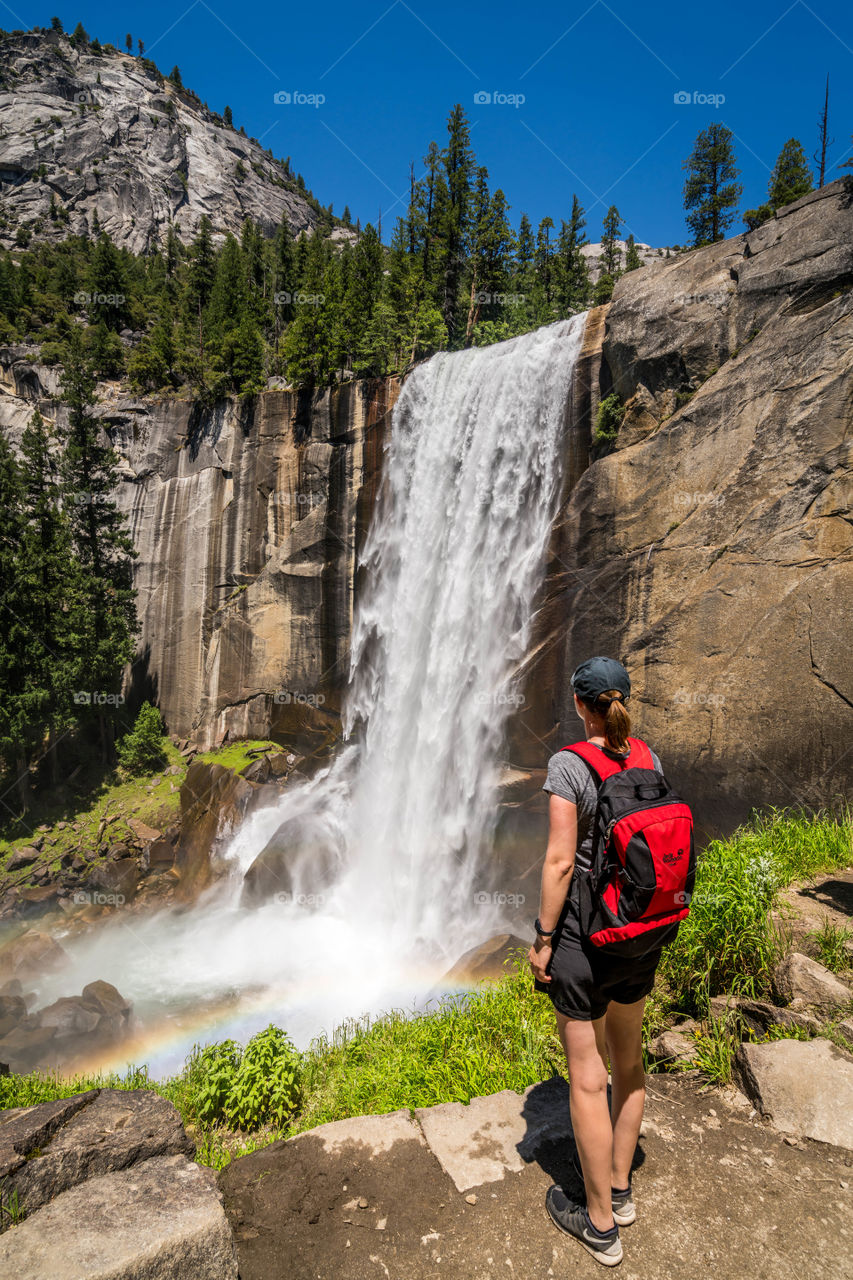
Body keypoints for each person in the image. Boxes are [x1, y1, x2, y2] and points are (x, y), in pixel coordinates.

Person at [528, 656, 673, 1268]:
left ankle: (598, 1223)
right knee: (630, 1058)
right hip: (639, 933)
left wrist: (541, 937)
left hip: (585, 939)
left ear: (581, 705)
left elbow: (561, 863)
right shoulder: (648, 757)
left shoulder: (568, 764)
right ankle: (620, 1188)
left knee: (587, 1074)